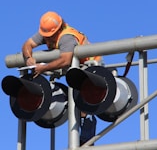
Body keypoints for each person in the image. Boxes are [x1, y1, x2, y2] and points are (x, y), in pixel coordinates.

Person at [22, 11, 100, 145]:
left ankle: (86, 142)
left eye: (50, 36)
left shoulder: (67, 38)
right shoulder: (47, 32)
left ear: (57, 30)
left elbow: (65, 60)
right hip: (74, 69)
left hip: (91, 68)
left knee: (85, 104)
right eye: (45, 36)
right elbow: (27, 44)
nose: (47, 40)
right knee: (72, 100)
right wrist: (29, 58)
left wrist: (43, 68)